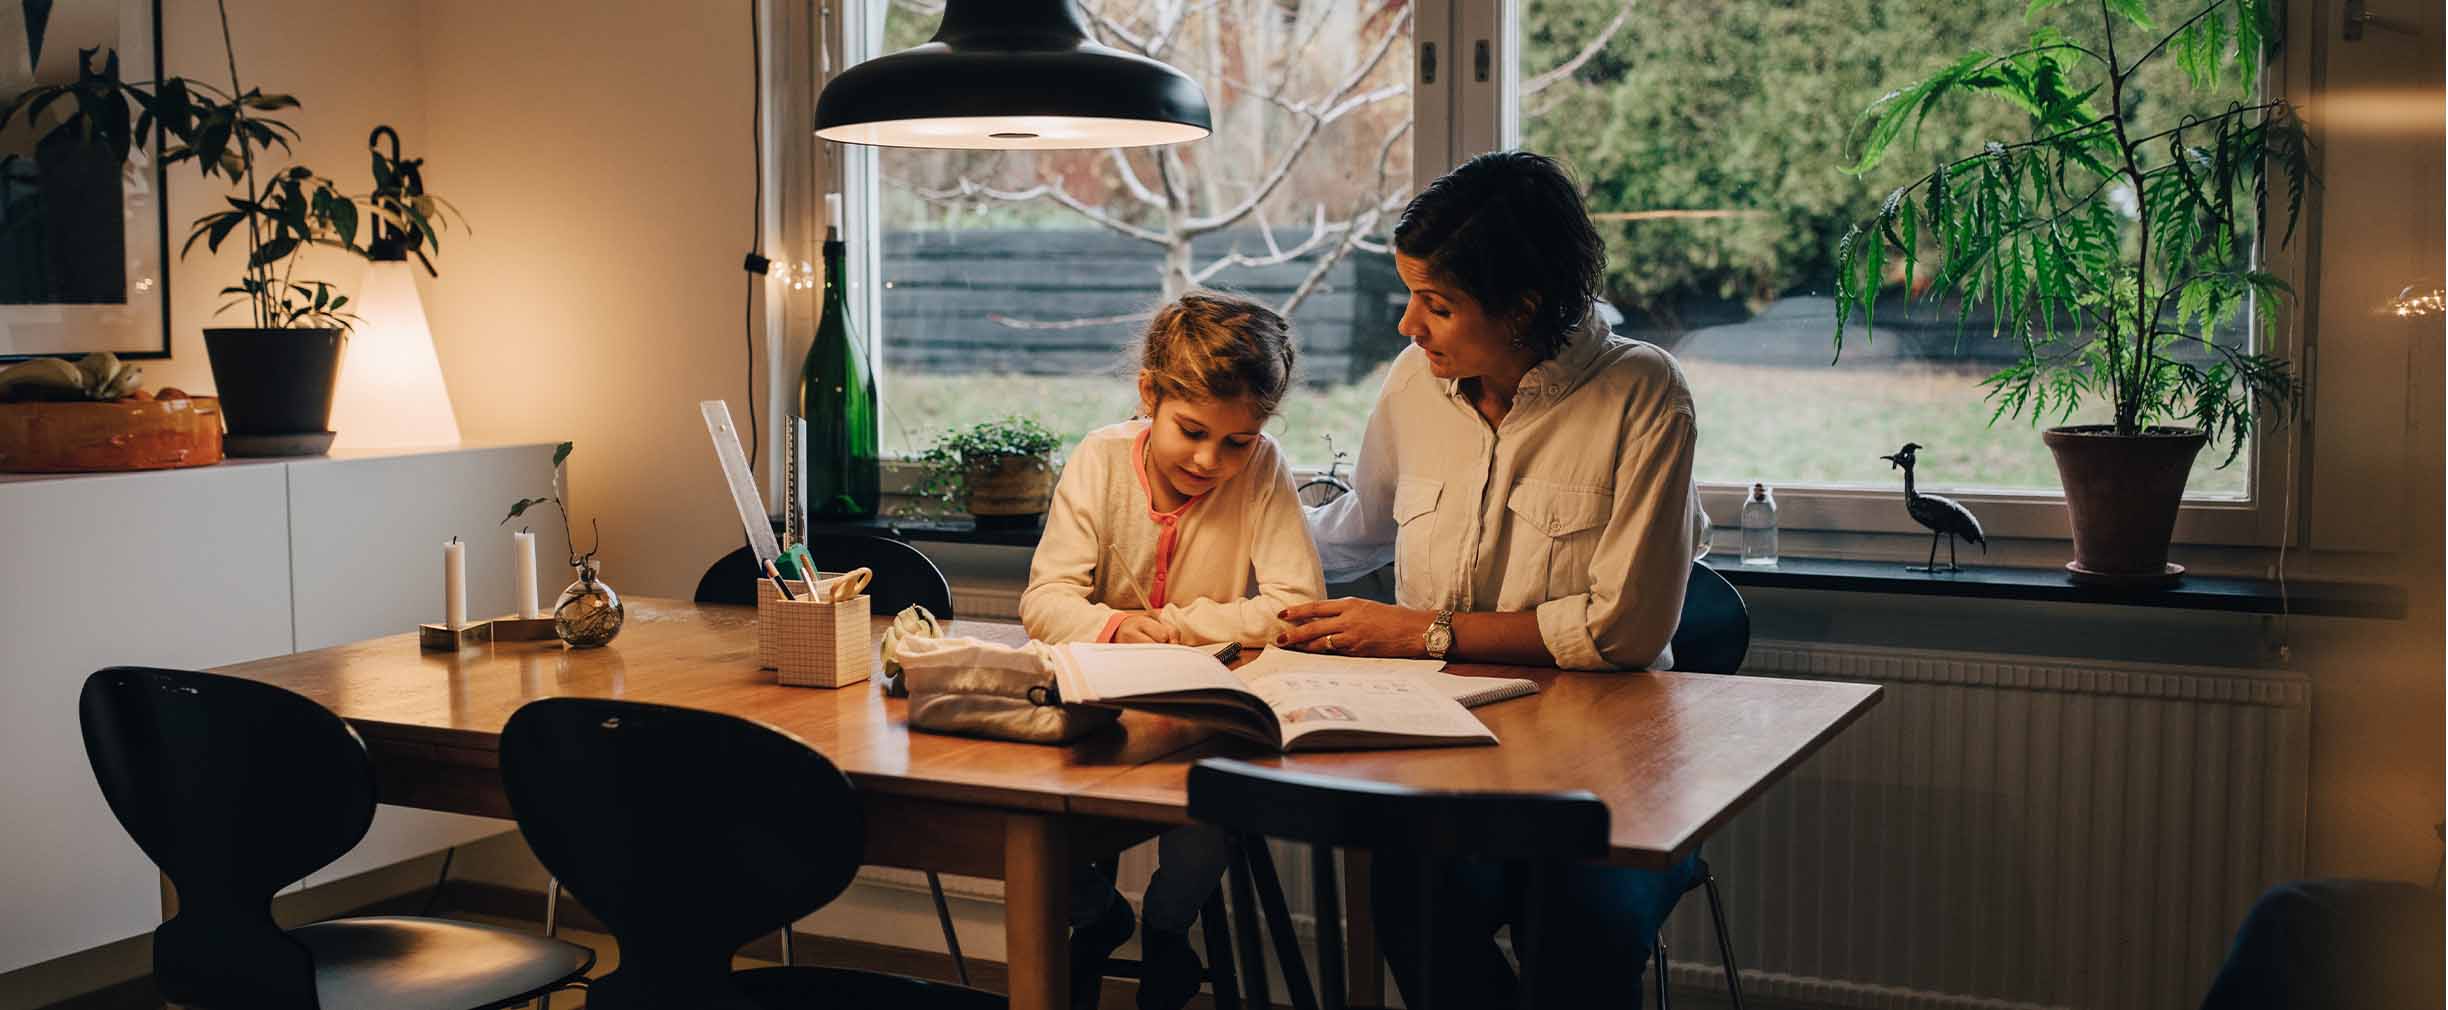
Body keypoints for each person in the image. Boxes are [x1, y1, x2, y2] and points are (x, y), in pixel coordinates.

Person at [1289, 149, 1711, 1006]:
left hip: (1609, 776)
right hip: (1450, 754)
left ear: (1523, 306)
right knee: (1410, 909)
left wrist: (1424, 632)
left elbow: (1624, 631)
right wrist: (1225, 525)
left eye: (1437, 305)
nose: (1408, 326)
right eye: (1411, 295)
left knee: (1575, 938)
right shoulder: (1416, 382)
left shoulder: (1643, 393)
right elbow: (1355, 534)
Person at [1020, 291, 1327, 1010]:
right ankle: (1098, 916)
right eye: (1191, 430)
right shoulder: (1099, 458)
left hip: (1200, 716)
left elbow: (1296, 605)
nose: (1208, 458)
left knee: (1209, 803)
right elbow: (1044, 600)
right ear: (1149, 394)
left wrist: (1180, 625)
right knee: (1032, 812)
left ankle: (1167, 928)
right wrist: (1119, 628)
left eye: (1236, 442)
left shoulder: (1262, 468)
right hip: (1097, 711)